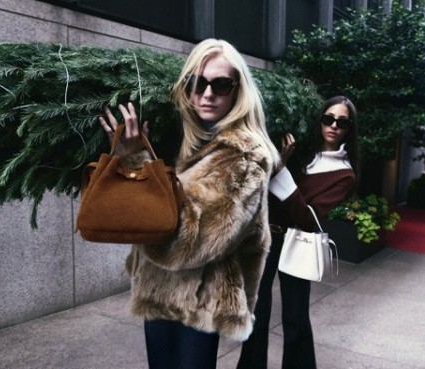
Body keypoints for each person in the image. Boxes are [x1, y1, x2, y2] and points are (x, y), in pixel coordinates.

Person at [98, 38, 280, 369]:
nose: (207, 94)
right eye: (197, 83)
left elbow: (189, 242)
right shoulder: (182, 138)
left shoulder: (245, 157)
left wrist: (137, 160)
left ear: (238, 91)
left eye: (221, 84)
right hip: (158, 288)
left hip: (200, 300)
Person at [237, 96, 360, 369]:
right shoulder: (300, 150)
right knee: (256, 311)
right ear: (320, 120)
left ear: (349, 129)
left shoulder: (344, 174)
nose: (333, 126)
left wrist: (281, 171)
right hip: (266, 235)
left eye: (342, 122)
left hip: (298, 241)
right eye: (328, 119)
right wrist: (279, 163)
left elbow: (308, 218)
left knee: (295, 317)